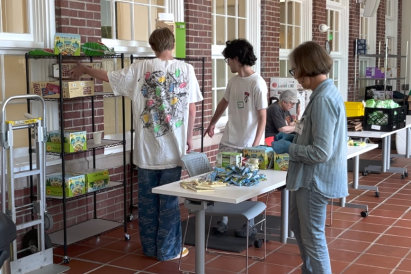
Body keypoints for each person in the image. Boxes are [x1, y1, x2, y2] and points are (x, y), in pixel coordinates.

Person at [70, 28, 203, 261]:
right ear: (173, 45)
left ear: (152, 46)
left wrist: (84, 69)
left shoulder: (140, 67)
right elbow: (191, 108)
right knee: (169, 202)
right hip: (174, 150)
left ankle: (149, 248)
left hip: (146, 151)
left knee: (148, 203)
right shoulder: (187, 69)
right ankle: (168, 251)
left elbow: (108, 76)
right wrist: (189, 137)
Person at [272, 41, 348, 273]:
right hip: (306, 178)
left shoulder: (323, 99)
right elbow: (312, 137)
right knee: (297, 226)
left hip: (315, 180)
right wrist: (294, 139)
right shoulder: (320, 94)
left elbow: (321, 152)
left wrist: (289, 149)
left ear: (307, 67)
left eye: (295, 69)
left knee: (313, 238)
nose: (294, 76)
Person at [204, 39, 267, 237]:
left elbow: (262, 117)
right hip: (229, 140)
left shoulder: (257, 82)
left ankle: (249, 223)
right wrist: (212, 122)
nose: (228, 63)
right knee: (223, 179)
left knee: (249, 183)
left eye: (228, 59)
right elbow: (224, 102)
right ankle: (223, 220)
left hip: (248, 143)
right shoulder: (233, 81)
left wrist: (255, 147)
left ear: (237, 59)